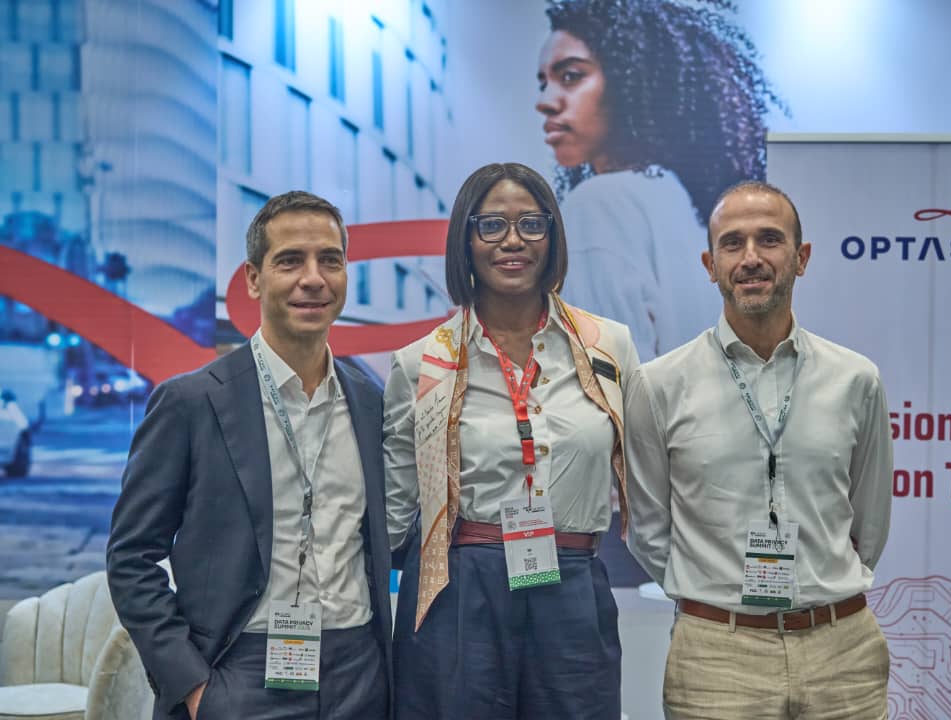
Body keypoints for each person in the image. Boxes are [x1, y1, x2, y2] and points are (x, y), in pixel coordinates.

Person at [106, 191, 392, 719]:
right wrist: (194, 686)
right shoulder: (191, 402)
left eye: (330, 260)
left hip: (359, 672)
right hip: (239, 673)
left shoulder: (372, 402)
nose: (314, 278)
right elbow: (131, 557)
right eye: (291, 260)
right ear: (254, 279)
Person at [625, 181, 893, 719]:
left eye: (770, 239)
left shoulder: (855, 379)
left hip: (842, 651)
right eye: (732, 243)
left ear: (802, 257)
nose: (750, 258)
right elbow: (648, 529)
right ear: (710, 264)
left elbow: (869, 522)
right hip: (716, 657)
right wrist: (712, 590)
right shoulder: (659, 385)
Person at [383, 162, 638, 719]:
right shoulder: (421, 364)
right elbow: (394, 516)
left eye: (531, 224)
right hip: (461, 590)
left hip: (573, 581)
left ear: (553, 235)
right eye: (492, 225)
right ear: (465, 240)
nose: (513, 241)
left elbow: (647, 477)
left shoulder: (609, 347)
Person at [537, 0, 782, 361]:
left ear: (628, 80)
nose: (545, 101)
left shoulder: (598, 206)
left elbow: (610, 380)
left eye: (571, 76)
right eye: (543, 82)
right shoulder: (676, 195)